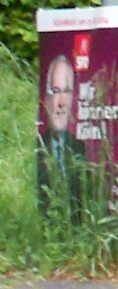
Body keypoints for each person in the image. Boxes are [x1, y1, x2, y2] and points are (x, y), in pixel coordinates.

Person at [35, 53, 89, 215]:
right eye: (55, 91)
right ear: (45, 99)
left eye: (67, 92)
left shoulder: (80, 149)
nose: (61, 103)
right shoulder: (35, 148)